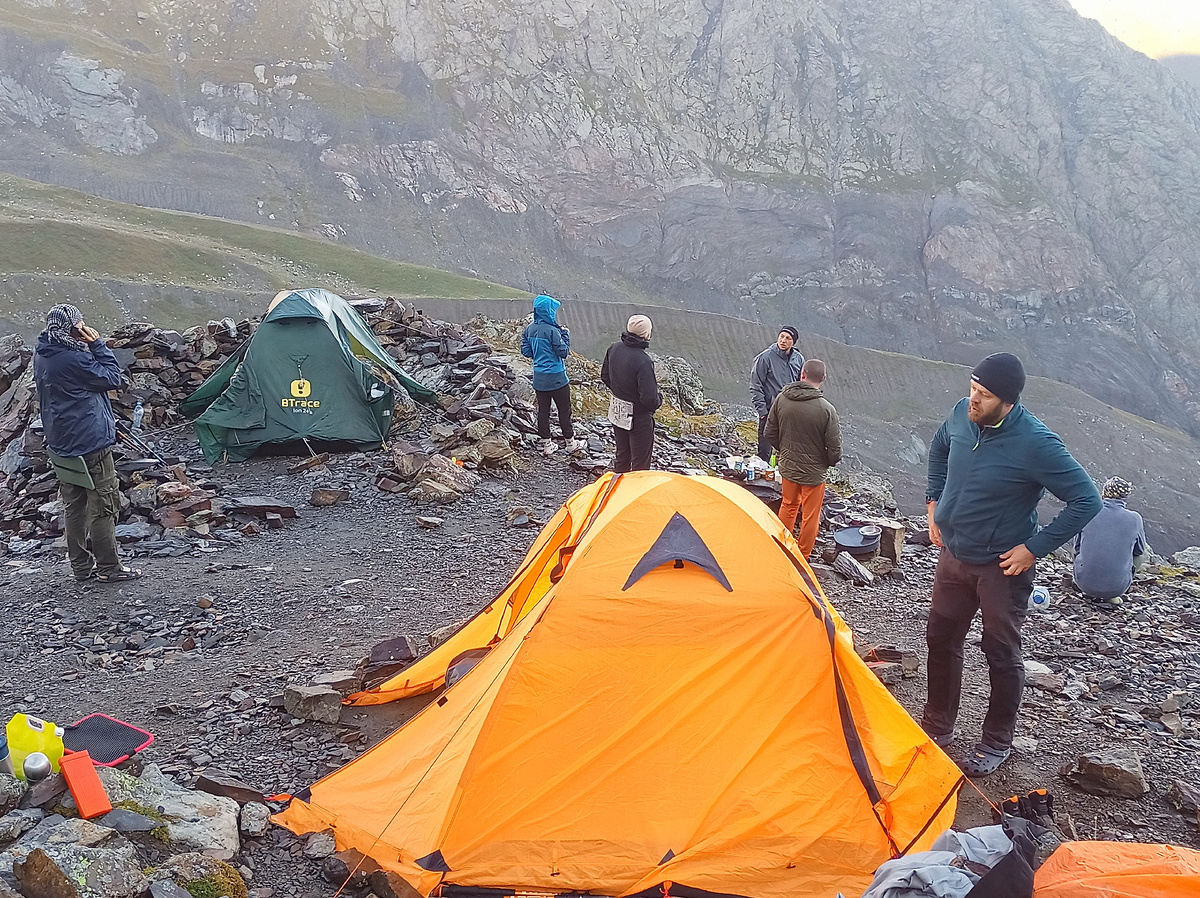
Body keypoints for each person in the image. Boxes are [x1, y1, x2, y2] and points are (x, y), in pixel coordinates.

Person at [923, 352, 1100, 777]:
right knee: (941, 638)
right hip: (954, 554)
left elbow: (1086, 499)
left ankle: (996, 741)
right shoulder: (961, 415)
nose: (973, 399)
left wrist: (1034, 548)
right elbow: (939, 447)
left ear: (1008, 401)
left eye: (984, 395)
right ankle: (937, 726)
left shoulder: (1036, 442)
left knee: (1000, 652)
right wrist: (933, 502)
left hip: (1002, 568)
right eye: (972, 388)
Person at [32, 304, 141, 583]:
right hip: (90, 442)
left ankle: (81, 567)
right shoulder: (74, 359)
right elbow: (113, 378)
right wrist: (97, 344)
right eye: (79, 324)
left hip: (60, 441)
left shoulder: (43, 352)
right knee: (104, 504)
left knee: (74, 505)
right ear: (73, 328)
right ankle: (109, 568)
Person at [762, 359, 841, 558]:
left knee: (788, 505)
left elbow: (769, 432)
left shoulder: (782, 399)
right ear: (823, 378)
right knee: (810, 515)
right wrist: (827, 462)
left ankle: (781, 547)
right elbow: (834, 448)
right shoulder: (826, 409)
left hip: (788, 466)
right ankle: (802, 555)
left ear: (802, 374)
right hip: (814, 473)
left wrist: (784, 451)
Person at [520, 294, 582, 453]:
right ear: (548, 311)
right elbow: (563, 352)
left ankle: (547, 444)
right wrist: (565, 335)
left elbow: (526, 351)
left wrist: (539, 354)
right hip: (557, 378)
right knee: (564, 410)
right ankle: (570, 443)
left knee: (543, 411)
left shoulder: (529, 329)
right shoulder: (553, 331)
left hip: (539, 379)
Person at [1072, 477, 1146, 607]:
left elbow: (1077, 547)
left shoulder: (1089, 511)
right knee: (1140, 556)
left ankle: (1084, 582)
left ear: (1103, 493)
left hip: (1083, 583)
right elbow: (1139, 551)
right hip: (1117, 588)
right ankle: (1112, 593)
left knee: (1079, 547)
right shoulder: (1135, 518)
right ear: (1125, 497)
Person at [601, 314, 661, 473]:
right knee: (640, 464)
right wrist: (659, 400)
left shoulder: (614, 348)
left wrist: (620, 393)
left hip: (617, 411)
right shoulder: (643, 361)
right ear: (646, 334)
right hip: (639, 419)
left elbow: (605, 376)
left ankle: (618, 486)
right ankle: (636, 488)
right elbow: (649, 399)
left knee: (622, 456)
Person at [750, 326, 804, 461]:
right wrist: (762, 412)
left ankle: (781, 473)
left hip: (790, 412)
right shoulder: (765, 357)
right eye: (781, 336)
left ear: (793, 342)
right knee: (765, 451)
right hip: (770, 411)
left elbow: (801, 385)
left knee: (787, 450)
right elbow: (756, 385)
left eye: (788, 338)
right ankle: (763, 471)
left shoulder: (798, 359)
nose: (783, 340)